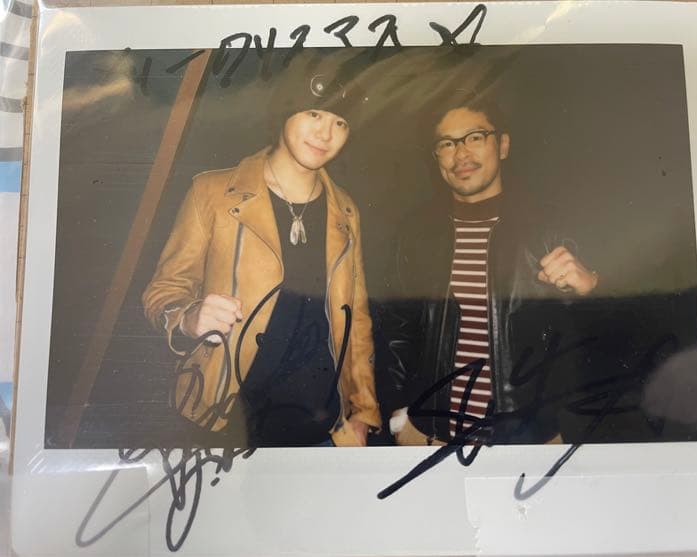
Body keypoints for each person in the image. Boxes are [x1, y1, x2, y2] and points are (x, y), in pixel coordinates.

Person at [142, 68, 380, 448]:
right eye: (314, 113)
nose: (326, 133)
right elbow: (163, 291)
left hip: (321, 430)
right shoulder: (212, 192)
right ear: (285, 111)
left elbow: (358, 319)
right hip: (224, 423)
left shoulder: (346, 212)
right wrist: (188, 317)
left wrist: (364, 411)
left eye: (340, 122)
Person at [382, 91, 599, 446]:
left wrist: (591, 289)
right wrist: (399, 417)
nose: (461, 154)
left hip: (526, 442)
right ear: (436, 157)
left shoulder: (550, 229)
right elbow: (397, 332)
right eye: (447, 143)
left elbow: (597, 346)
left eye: (475, 137)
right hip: (431, 438)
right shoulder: (414, 234)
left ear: (503, 146)